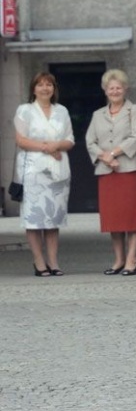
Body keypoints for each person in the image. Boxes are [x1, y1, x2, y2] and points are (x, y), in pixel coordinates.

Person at [14, 71, 75, 276]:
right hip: (33, 171)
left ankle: (54, 262)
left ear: (54, 89)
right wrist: (47, 147)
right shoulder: (25, 110)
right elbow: (21, 140)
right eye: (40, 84)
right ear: (33, 89)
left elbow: (70, 140)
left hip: (58, 171)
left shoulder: (62, 111)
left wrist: (57, 145)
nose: (45, 88)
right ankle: (39, 262)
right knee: (34, 218)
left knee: (53, 219)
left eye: (49, 84)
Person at [85, 69, 136, 275]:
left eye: (118, 87)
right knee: (113, 218)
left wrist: (113, 153)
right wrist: (105, 157)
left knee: (131, 216)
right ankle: (119, 260)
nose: (115, 91)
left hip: (128, 169)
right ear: (105, 90)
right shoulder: (97, 114)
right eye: (111, 88)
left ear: (125, 88)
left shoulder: (134, 110)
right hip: (106, 171)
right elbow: (90, 141)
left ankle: (132, 259)